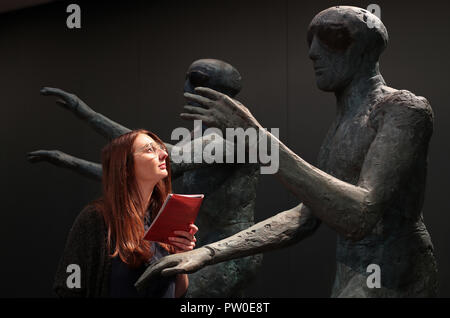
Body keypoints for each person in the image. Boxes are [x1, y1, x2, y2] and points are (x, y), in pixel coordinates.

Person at [136, 6, 438, 297]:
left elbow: (359, 216)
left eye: (331, 37)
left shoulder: (403, 110)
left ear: (367, 49)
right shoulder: (342, 126)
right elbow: (305, 217)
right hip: (356, 271)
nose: (313, 52)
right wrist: (208, 253)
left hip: (395, 272)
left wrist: (257, 138)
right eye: (311, 40)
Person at [53, 129, 198, 297]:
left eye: (161, 148)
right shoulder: (96, 218)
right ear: (125, 166)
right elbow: (69, 285)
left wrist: (181, 256)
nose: (164, 154)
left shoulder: (166, 216)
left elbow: (178, 293)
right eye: (150, 149)